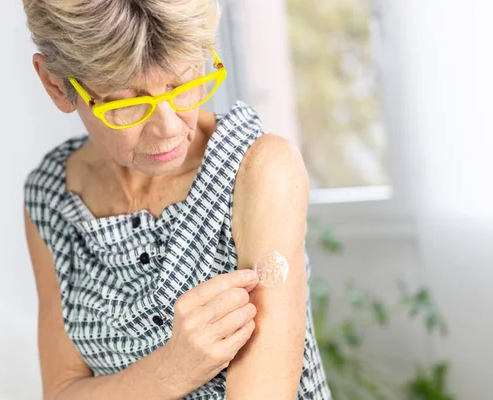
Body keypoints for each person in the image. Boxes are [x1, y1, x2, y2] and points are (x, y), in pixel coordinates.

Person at [22, 0, 331, 399]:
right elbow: (62, 392)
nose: (168, 127)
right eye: (128, 101)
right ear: (53, 84)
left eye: (183, 82)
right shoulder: (51, 197)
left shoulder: (261, 170)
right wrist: (174, 369)